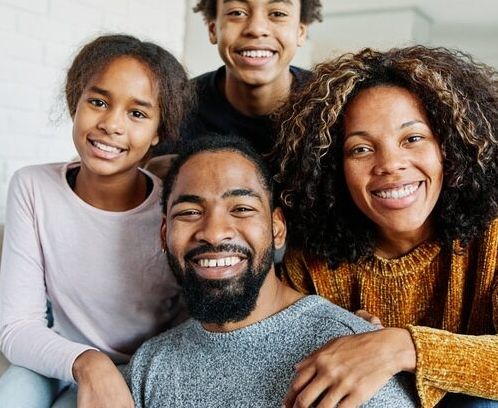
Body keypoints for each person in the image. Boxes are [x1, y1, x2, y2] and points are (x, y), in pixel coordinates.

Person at [273, 46, 498, 408]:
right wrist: (339, 332)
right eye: (361, 149)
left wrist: (400, 347)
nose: (390, 165)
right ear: (332, 168)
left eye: (413, 138)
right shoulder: (309, 252)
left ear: (449, 148)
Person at [125, 135, 417, 408]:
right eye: (189, 213)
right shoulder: (150, 366)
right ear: (165, 234)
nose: (214, 234)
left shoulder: (353, 359)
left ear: (277, 229)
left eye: (241, 208)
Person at [0, 35, 192, 408]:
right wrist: (88, 363)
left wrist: (114, 375)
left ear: (158, 132)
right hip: (53, 356)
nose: (111, 124)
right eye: (98, 102)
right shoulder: (32, 187)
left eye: (137, 113)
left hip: (137, 369)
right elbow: (17, 329)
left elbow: (188, 324)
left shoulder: (174, 207)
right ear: (75, 103)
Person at [149, 0, 322, 172]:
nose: (256, 28)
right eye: (237, 12)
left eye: (277, 13)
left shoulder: (331, 108)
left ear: (300, 31)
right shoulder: (176, 111)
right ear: (213, 28)